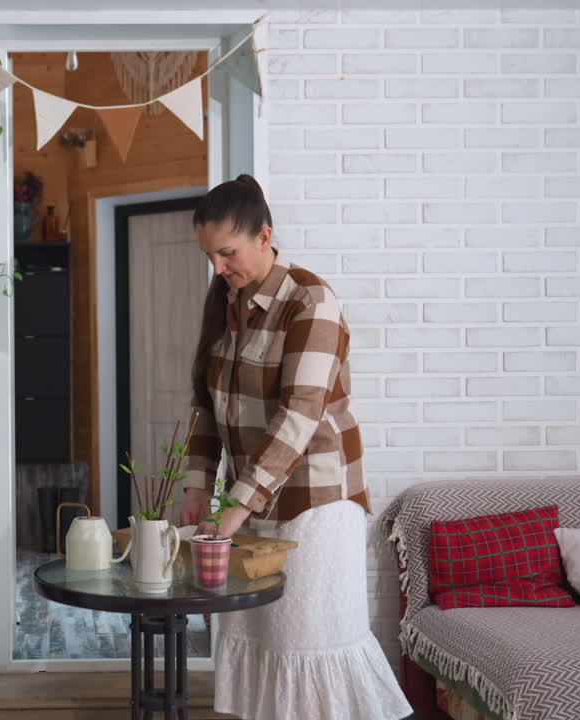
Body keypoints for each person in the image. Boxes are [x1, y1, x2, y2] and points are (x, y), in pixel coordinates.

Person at [179, 175, 412, 720]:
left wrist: (235, 505)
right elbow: (206, 405)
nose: (218, 268)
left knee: (306, 647)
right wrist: (198, 486)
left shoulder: (310, 301)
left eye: (227, 253)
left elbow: (299, 415)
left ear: (265, 236)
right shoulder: (226, 303)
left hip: (314, 506)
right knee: (262, 643)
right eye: (210, 256)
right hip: (250, 503)